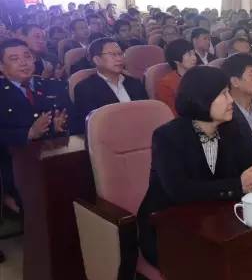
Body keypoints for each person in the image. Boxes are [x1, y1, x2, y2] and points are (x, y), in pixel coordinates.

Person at [137, 66, 252, 266]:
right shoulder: (168, 136)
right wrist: (238, 184)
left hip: (216, 218)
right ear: (202, 98)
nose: (231, 100)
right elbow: (179, 190)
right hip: (169, 225)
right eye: (223, 94)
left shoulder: (231, 128)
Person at [0, 39, 73, 209]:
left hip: (58, 156)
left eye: (27, 56)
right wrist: (28, 134)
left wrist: (60, 128)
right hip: (17, 163)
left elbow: (74, 118)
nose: (23, 62)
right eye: (14, 58)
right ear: (1, 66)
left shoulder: (55, 86)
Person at [74, 38, 147, 131]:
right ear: (97, 60)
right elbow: (92, 126)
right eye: (112, 54)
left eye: (120, 54)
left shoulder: (134, 82)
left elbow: (147, 112)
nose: (119, 59)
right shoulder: (85, 88)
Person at [156, 39, 197, 116]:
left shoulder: (200, 74)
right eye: (189, 54)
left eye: (194, 53)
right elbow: (172, 113)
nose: (194, 58)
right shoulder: (166, 84)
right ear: (176, 60)